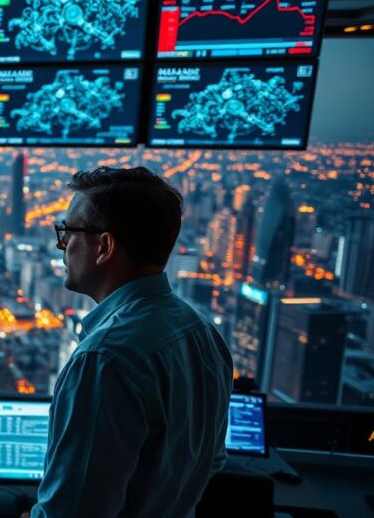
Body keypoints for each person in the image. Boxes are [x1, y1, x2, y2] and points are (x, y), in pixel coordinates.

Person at [27, 167, 233, 518]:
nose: (62, 245)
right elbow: (212, 460)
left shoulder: (104, 359)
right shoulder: (203, 334)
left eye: (69, 232)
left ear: (105, 246)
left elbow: (71, 512)